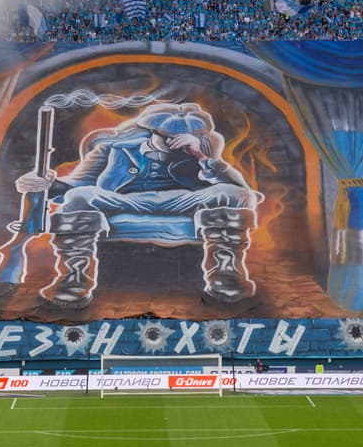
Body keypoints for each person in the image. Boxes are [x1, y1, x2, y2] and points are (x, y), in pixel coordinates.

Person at [14, 103, 260, 306]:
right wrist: (48, 184)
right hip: (125, 201)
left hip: (181, 200)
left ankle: (226, 276)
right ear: (153, 132)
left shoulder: (199, 149)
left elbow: (241, 191)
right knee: (80, 196)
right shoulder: (112, 148)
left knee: (232, 193)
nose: (177, 143)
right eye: (170, 138)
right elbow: (78, 184)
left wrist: (201, 156)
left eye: (184, 138)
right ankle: (74, 279)